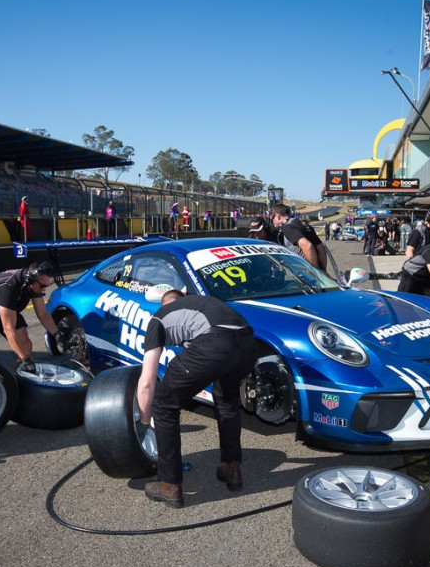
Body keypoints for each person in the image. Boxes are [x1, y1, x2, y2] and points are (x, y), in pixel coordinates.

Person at [136, 291, 258, 508]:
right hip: (248, 343)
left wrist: (144, 422)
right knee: (227, 399)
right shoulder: (203, 304)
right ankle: (232, 468)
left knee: (164, 405)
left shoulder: (157, 319)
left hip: (215, 341)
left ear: (163, 306)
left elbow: (146, 383)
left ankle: (169, 484)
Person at [0, 261, 61, 370]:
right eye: (42, 286)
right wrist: (25, 359)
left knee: (25, 345)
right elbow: (9, 329)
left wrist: (57, 334)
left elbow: (43, 314)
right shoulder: (9, 286)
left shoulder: (33, 285)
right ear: (30, 279)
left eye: (47, 285)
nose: (43, 289)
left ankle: (19, 375)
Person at [271, 204, 327, 271]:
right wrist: (323, 270)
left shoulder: (288, 227)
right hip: (318, 268)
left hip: (304, 272)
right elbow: (320, 247)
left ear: (277, 216)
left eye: (272, 218)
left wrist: (315, 272)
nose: (272, 222)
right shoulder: (301, 223)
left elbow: (307, 246)